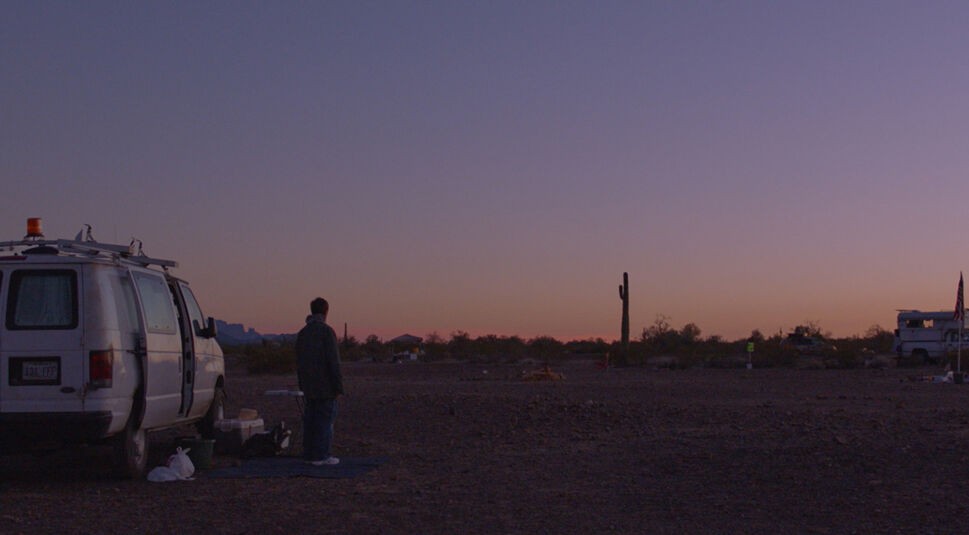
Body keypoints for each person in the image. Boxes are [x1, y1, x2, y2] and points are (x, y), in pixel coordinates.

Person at [295, 297, 345, 466]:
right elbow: (333, 361)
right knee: (325, 421)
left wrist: (302, 383)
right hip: (325, 386)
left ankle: (309, 454)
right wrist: (338, 386)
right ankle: (321, 455)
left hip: (308, 385)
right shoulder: (326, 331)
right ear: (325, 311)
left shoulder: (303, 333)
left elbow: (299, 361)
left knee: (310, 420)